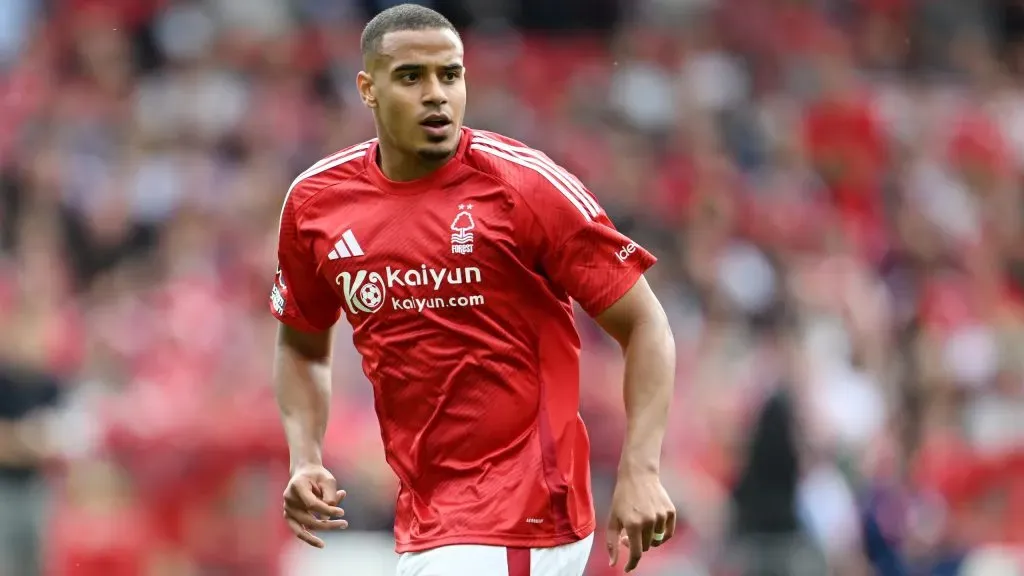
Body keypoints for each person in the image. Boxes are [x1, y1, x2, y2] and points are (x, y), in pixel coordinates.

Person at [269, 4, 677, 574]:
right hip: (427, 517)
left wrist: (641, 470)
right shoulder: (316, 203)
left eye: (450, 75)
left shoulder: (525, 186)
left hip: (526, 512)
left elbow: (645, 323)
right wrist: (305, 457)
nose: (436, 94)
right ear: (368, 88)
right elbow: (302, 343)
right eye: (412, 77)